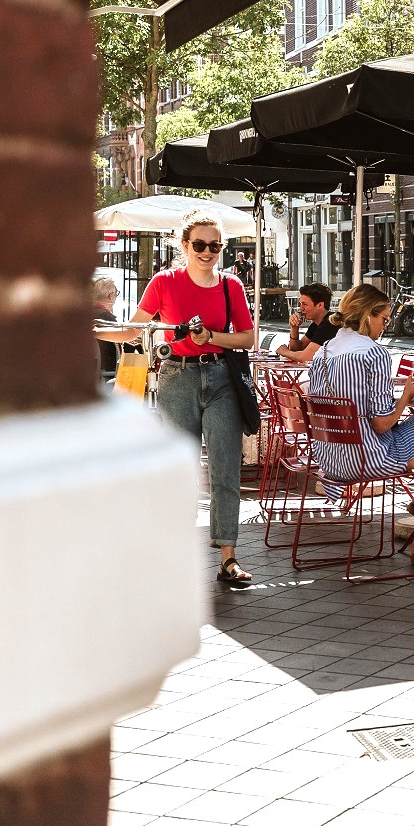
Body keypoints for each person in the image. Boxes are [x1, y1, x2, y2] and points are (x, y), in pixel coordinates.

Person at [98, 209, 257, 588]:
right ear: (184, 245)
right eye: (200, 244)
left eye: (214, 246)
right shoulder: (164, 282)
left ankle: (228, 557)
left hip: (221, 378)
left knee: (224, 468)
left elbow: (246, 339)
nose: (207, 252)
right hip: (176, 378)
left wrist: (212, 339)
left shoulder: (230, 286)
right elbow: (134, 331)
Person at [306, 284, 414, 566]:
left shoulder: (324, 351)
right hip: (366, 458)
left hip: (330, 460)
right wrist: (406, 398)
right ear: (366, 315)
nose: (386, 326)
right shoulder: (373, 354)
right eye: (384, 319)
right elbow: (381, 424)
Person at [277, 283, 335, 361]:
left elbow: (306, 357)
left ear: (320, 305)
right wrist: (294, 328)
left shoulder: (329, 323)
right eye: (300, 304)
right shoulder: (316, 324)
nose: (301, 309)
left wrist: (284, 352)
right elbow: (297, 350)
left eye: (305, 304)